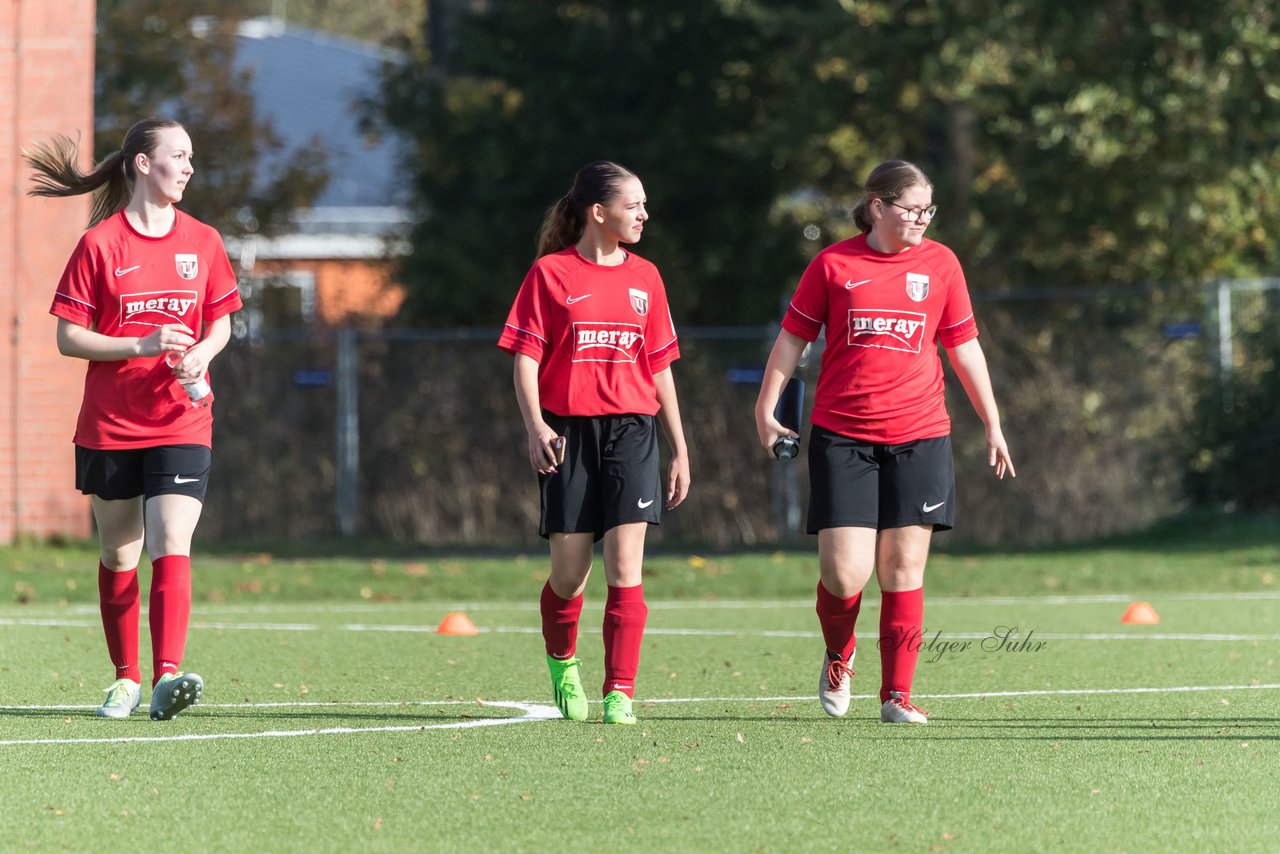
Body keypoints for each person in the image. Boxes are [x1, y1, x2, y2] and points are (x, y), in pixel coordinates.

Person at [754, 160, 1014, 724]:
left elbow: (964, 348)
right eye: (912, 209)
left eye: (929, 210)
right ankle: (838, 652)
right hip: (842, 435)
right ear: (877, 207)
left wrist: (992, 422)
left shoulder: (942, 264)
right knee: (845, 574)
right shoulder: (833, 264)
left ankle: (896, 695)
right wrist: (766, 406)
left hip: (921, 434)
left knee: (903, 569)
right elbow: (792, 339)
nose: (922, 219)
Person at [25, 118, 243, 720]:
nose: (190, 167)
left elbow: (221, 320)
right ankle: (126, 680)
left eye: (193, 156)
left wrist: (203, 350)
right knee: (121, 554)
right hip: (110, 425)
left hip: (182, 420)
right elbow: (70, 338)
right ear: (144, 165)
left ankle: (169, 676)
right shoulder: (100, 245)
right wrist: (140, 346)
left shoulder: (204, 241)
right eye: (180, 155)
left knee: (173, 539)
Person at [498, 161, 691, 725]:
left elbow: (659, 367)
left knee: (625, 569)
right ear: (598, 212)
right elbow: (526, 358)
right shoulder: (550, 274)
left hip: (633, 431)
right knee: (570, 574)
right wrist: (535, 425)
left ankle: (620, 694)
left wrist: (679, 446)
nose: (644, 215)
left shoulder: (647, 277)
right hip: (568, 433)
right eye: (634, 205)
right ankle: (564, 665)